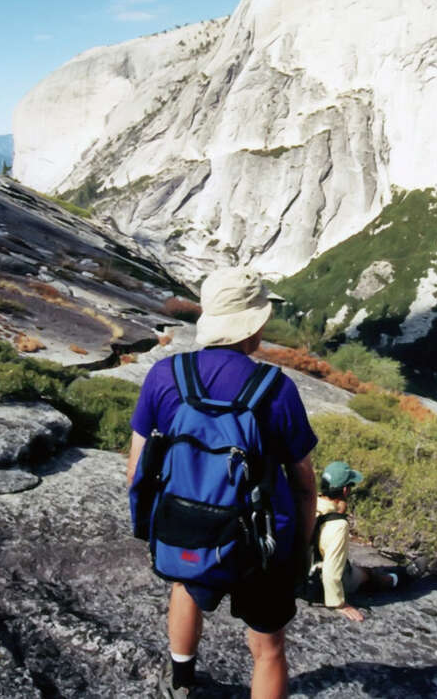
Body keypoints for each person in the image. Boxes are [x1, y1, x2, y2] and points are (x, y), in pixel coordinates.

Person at [127, 266, 318, 699]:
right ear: (255, 324)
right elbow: (303, 481)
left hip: (186, 522)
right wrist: (298, 549)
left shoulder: (165, 375)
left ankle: (180, 683)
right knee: (268, 648)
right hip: (261, 540)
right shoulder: (276, 389)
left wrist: (153, 524)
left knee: (186, 586)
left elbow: (137, 464)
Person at [312, 460, 399, 622]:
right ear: (345, 490)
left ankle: (393, 577)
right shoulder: (338, 525)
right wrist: (339, 604)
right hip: (319, 583)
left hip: (301, 575)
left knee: (358, 569)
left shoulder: (309, 504)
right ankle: (396, 579)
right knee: (366, 574)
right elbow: (331, 571)